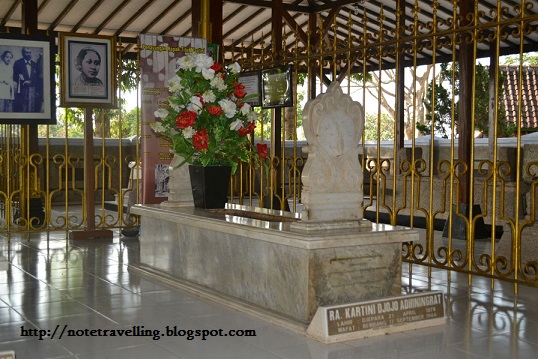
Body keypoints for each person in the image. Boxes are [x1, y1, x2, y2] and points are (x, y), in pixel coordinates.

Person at [12, 47, 40, 112]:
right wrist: (23, 81)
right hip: (21, 89)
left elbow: (38, 78)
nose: (28, 54)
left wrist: (31, 82)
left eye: (29, 52)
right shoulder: (18, 63)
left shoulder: (34, 64)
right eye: (26, 52)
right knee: (23, 107)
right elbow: (14, 76)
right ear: (23, 53)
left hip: (32, 88)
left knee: (31, 107)